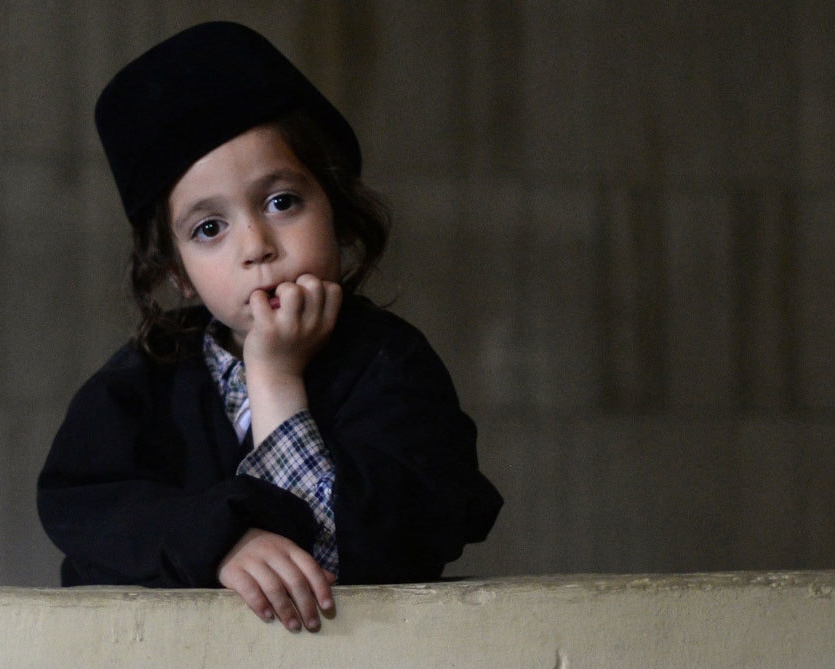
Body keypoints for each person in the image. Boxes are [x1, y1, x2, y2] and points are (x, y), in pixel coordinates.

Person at [37, 21, 502, 633]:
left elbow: (370, 553)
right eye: (210, 229)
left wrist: (276, 378)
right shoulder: (137, 384)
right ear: (178, 273)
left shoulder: (393, 364)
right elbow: (90, 516)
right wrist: (221, 540)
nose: (256, 245)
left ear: (335, 209)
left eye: (281, 202)